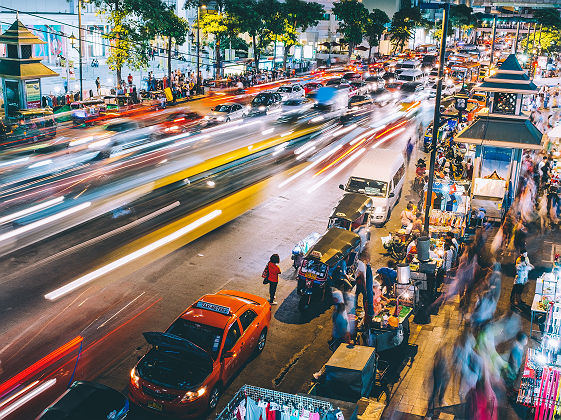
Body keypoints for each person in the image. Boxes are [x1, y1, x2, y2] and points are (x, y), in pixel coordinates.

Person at [427, 347, 450, 419]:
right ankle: (429, 414)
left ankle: (440, 401)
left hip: (442, 381)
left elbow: (446, 372)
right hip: (437, 383)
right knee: (433, 396)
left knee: (440, 393)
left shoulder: (443, 361)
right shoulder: (436, 366)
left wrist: (446, 378)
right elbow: (431, 377)